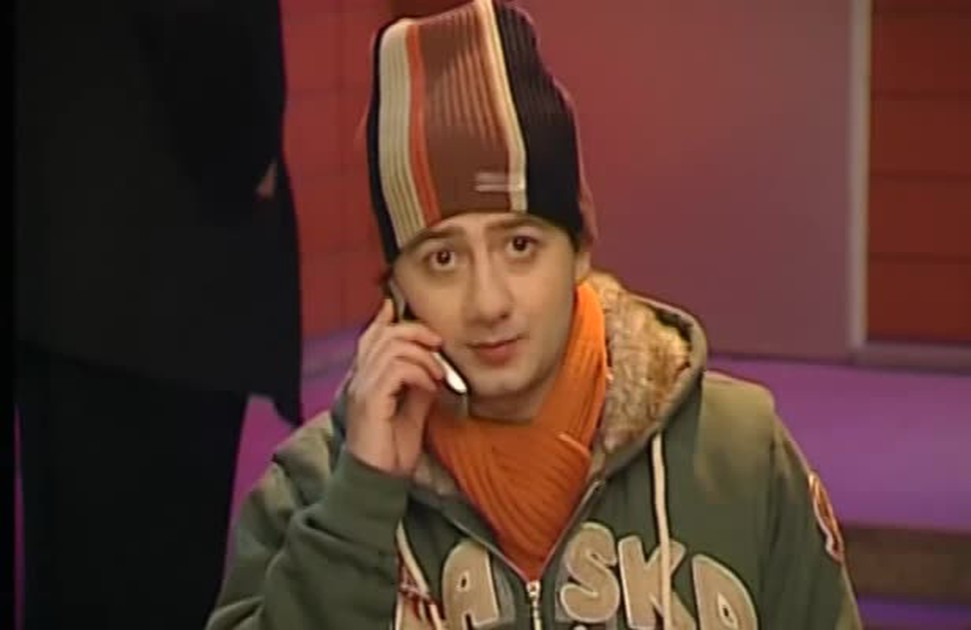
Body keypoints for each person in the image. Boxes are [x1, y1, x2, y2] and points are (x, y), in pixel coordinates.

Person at [207, 0, 863, 627]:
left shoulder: (738, 455)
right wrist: (362, 499)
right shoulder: (310, 487)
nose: (488, 303)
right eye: (442, 259)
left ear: (580, 249)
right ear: (395, 286)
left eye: (520, 246)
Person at [14, 1, 303, 628]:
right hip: (157, 274)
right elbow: (209, 34)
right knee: (147, 575)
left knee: (70, 575)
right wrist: (248, 157)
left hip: (61, 254)